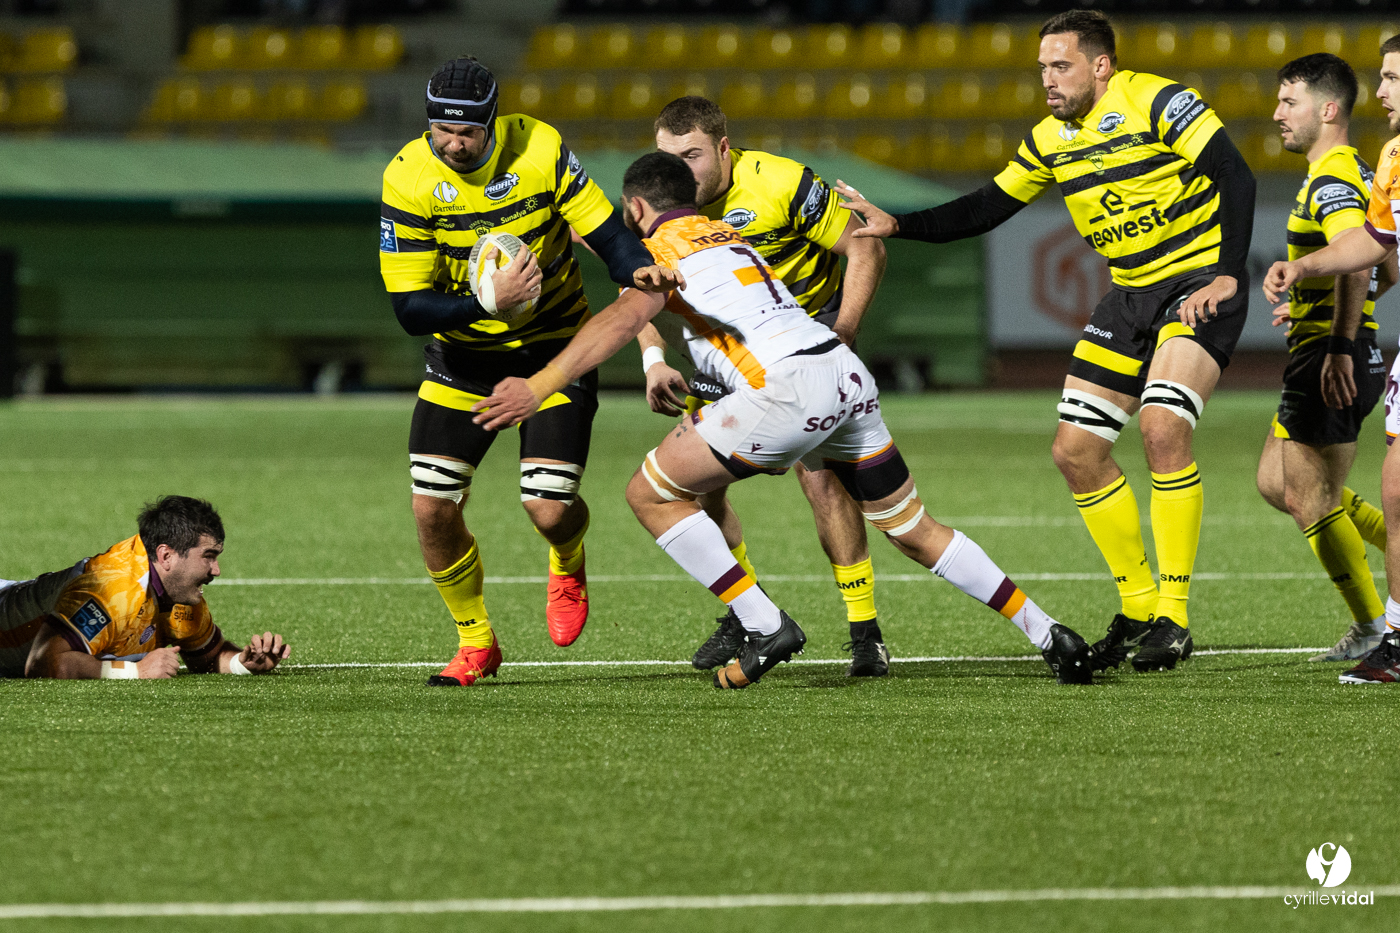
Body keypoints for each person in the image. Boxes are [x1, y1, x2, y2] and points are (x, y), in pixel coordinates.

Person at [470, 152, 1096, 687]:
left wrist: (541, 384)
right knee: (912, 527)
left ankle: (764, 625)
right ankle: (1049, 633)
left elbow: (618, 321)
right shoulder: (729, 234)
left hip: (784, 391)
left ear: (634, 210)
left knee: (651, 494)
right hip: (844, 372)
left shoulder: (659, 253)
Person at [834, 10, 1257, 672]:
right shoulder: (1049, 138)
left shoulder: (1157, 101)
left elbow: (1235, 174)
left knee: (1162, 425)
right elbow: (985, 208)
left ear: (1101, 65)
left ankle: (1173, 616)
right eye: (1041, 69)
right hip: (1128, 296)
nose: (1048, 80)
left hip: (1197, 281)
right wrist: (899, 224)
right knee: (1075, 451)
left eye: (1060, 66)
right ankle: (1139, 605)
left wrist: (1231, 271)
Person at [378, 56, 678, 686]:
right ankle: (476, 643)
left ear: (493, 125)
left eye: (468, 133)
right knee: (432, 508)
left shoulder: (539, 149)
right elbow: (409, 309)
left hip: (555, 351)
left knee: (547, 508)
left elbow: (609, 235)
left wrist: (640, 272)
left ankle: (568, 555)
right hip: (463, 360)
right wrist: (486, 303)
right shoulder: (407, 177)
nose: (454, 144)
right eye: (442, 131)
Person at [642, 97, 892, 678]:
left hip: (802, 353)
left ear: (725, 149)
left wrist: (844, 331)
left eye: (692, 156)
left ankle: (865, 632)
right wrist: (655, 358)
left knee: (824, 485)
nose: (679, 171)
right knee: (697, 490)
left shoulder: (778, 182)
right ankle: (744, 611)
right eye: (667, 158)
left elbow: (865, 244)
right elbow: (635, 290)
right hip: (726, 359)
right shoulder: (660, 204)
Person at [1262, 34, 1400, 685]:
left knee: (1310, 495)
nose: (1277, 113)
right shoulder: (1360, 169)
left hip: (1332, 356)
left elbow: (1358, 251)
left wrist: (1342, 339)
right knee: (1279, 483)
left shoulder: (1337, 173)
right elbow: (1383, 260)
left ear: (1328, 111)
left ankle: (1376, 625)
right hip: (1326, 345)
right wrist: (1307, 287)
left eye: (1289, 101)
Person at [0, 496, 289, 680]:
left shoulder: (179, 597)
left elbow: (209, 658)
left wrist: (244, 662)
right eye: (209, 556)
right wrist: (135, 671)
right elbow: (43, 662)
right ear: (166, 556)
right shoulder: (111, 589)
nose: (216, 571)